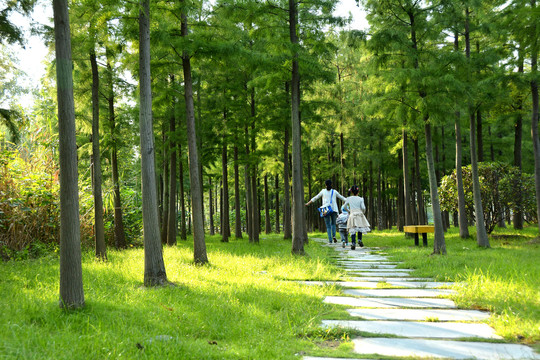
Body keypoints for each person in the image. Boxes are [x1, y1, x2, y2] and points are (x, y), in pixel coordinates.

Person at [305, 179, 346, 244]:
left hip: (325, 209)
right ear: (331, 184)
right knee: (333, 224)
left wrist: (308, 203)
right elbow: (342, 197)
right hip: (334, 209)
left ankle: (330, 240)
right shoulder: (334, 191)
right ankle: (334, 236)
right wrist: (349, 201)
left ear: (325, 185)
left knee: (328, 225)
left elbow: (316, 197)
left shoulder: (323, 191)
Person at [343, 185, 370, 250]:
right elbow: (363, 207)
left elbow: (344, 207)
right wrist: (362, 212)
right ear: (358, 191)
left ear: (351, 191)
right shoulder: (361, 199)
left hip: (352, 214)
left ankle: (353, 243)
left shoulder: (348, 198)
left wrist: (349, 211)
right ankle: (359, 239)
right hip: (359, 214)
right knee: (360, 227)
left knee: (353, 229)